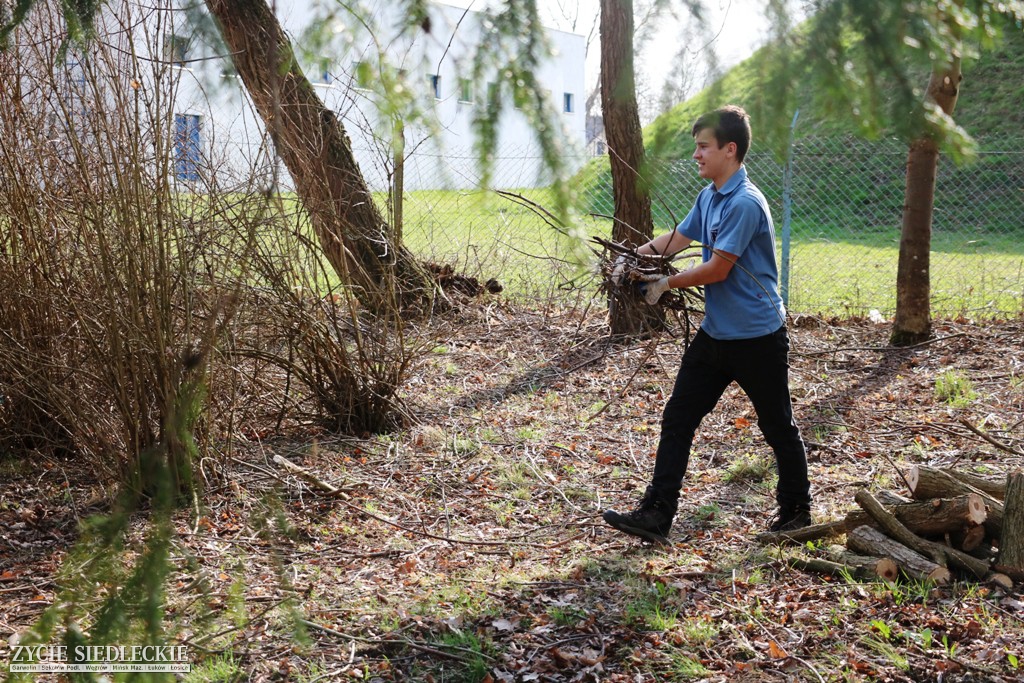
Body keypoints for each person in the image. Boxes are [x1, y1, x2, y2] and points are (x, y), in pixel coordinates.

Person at [603, 105, 812, 543]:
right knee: (678, 418)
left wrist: (666, 282)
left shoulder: (744, 203)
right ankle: (658, 512)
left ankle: (796, 510)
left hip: (756, 337)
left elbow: (718, 269)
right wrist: (633, 258)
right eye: (696, 146)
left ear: (729, 150)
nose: (696, 155)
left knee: (777, 425)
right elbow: (678, 238)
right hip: (716, 334)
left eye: (703, 147)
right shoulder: (710, 196)